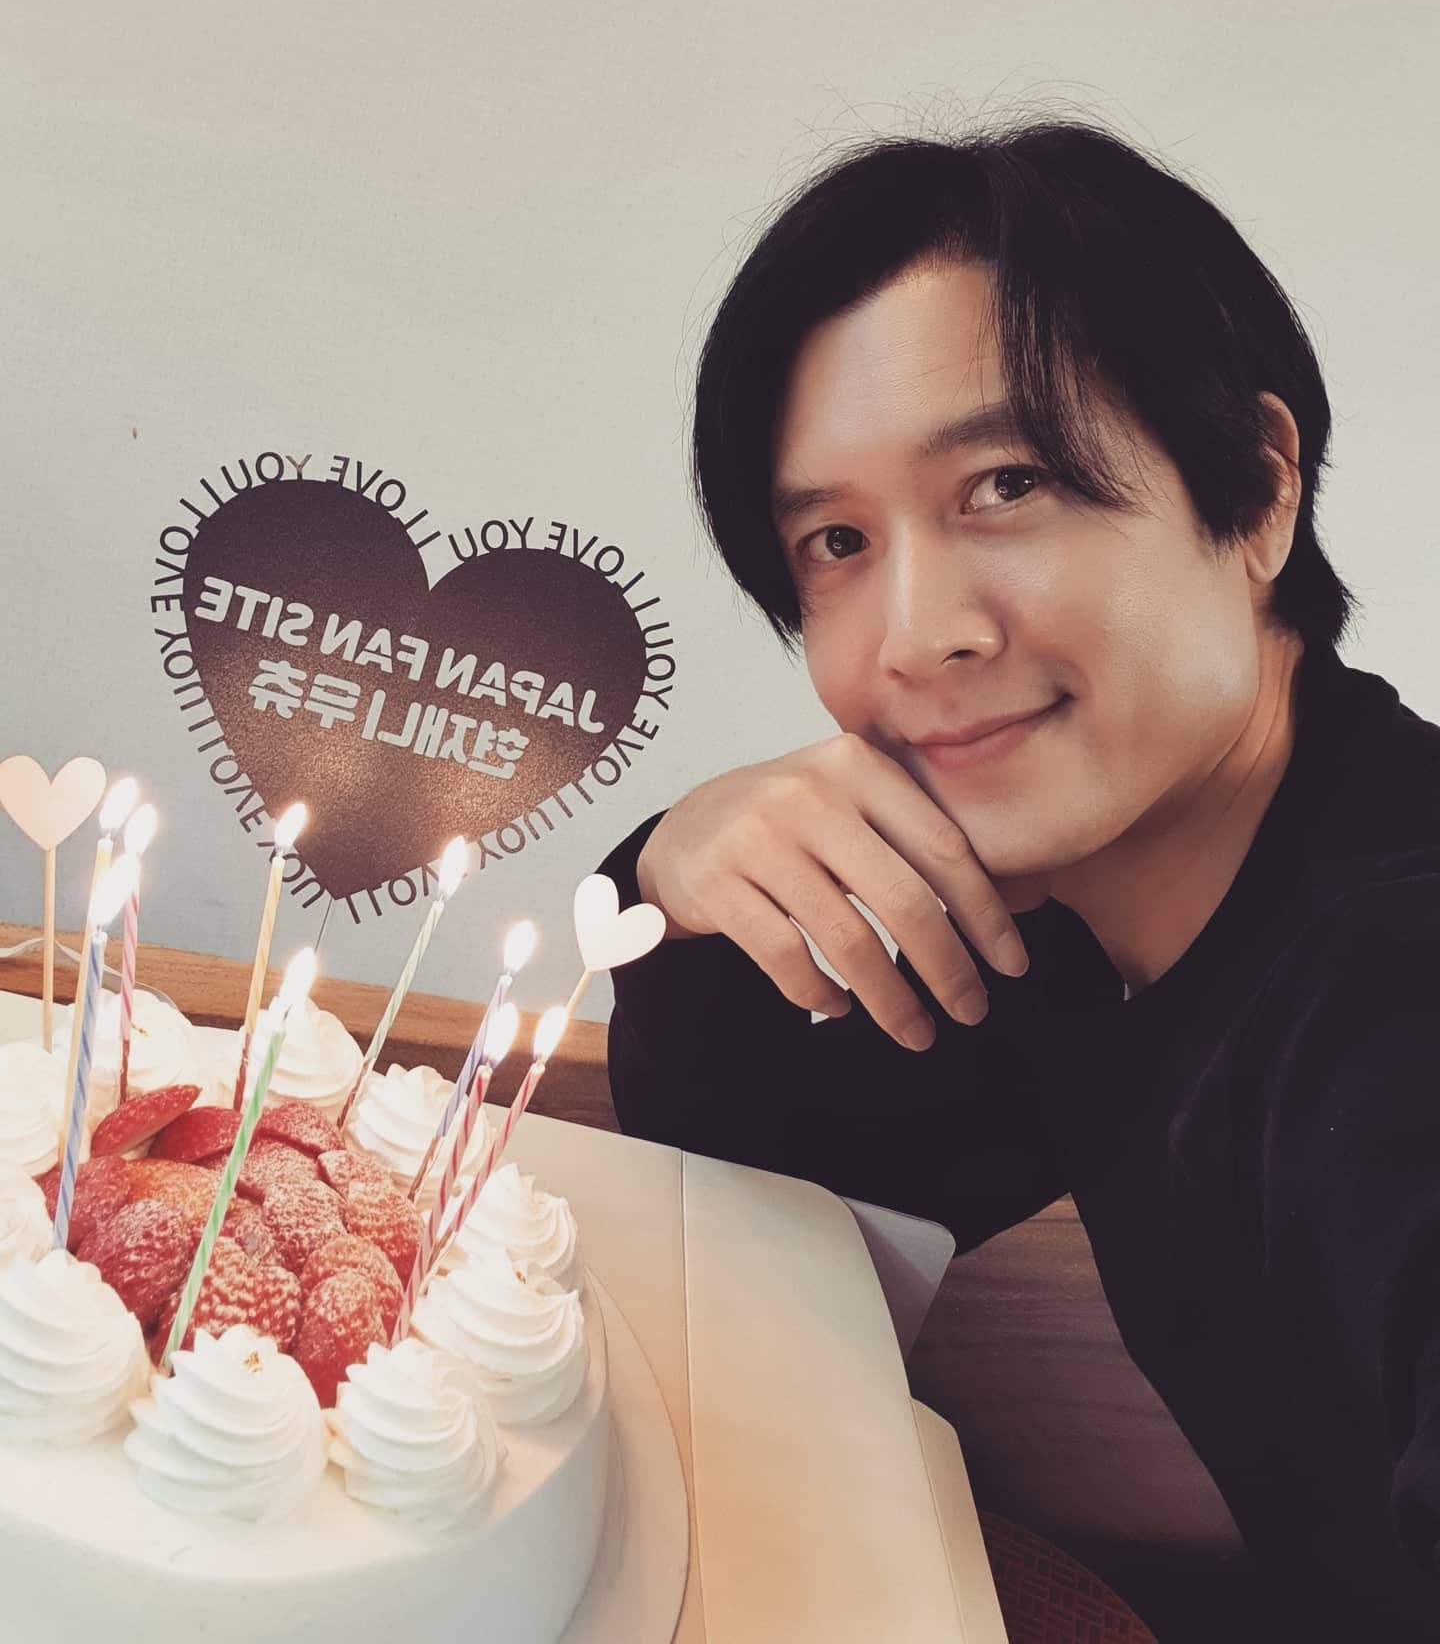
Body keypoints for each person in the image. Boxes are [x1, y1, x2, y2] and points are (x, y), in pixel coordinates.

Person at [595, 117, 1440, 1641]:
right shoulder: (1080, 916)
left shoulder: (1394, 996)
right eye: (836, 541)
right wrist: (682, 868)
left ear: (1258, 490)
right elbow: (760, 1181)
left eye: (1006, 483)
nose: (922, 634)